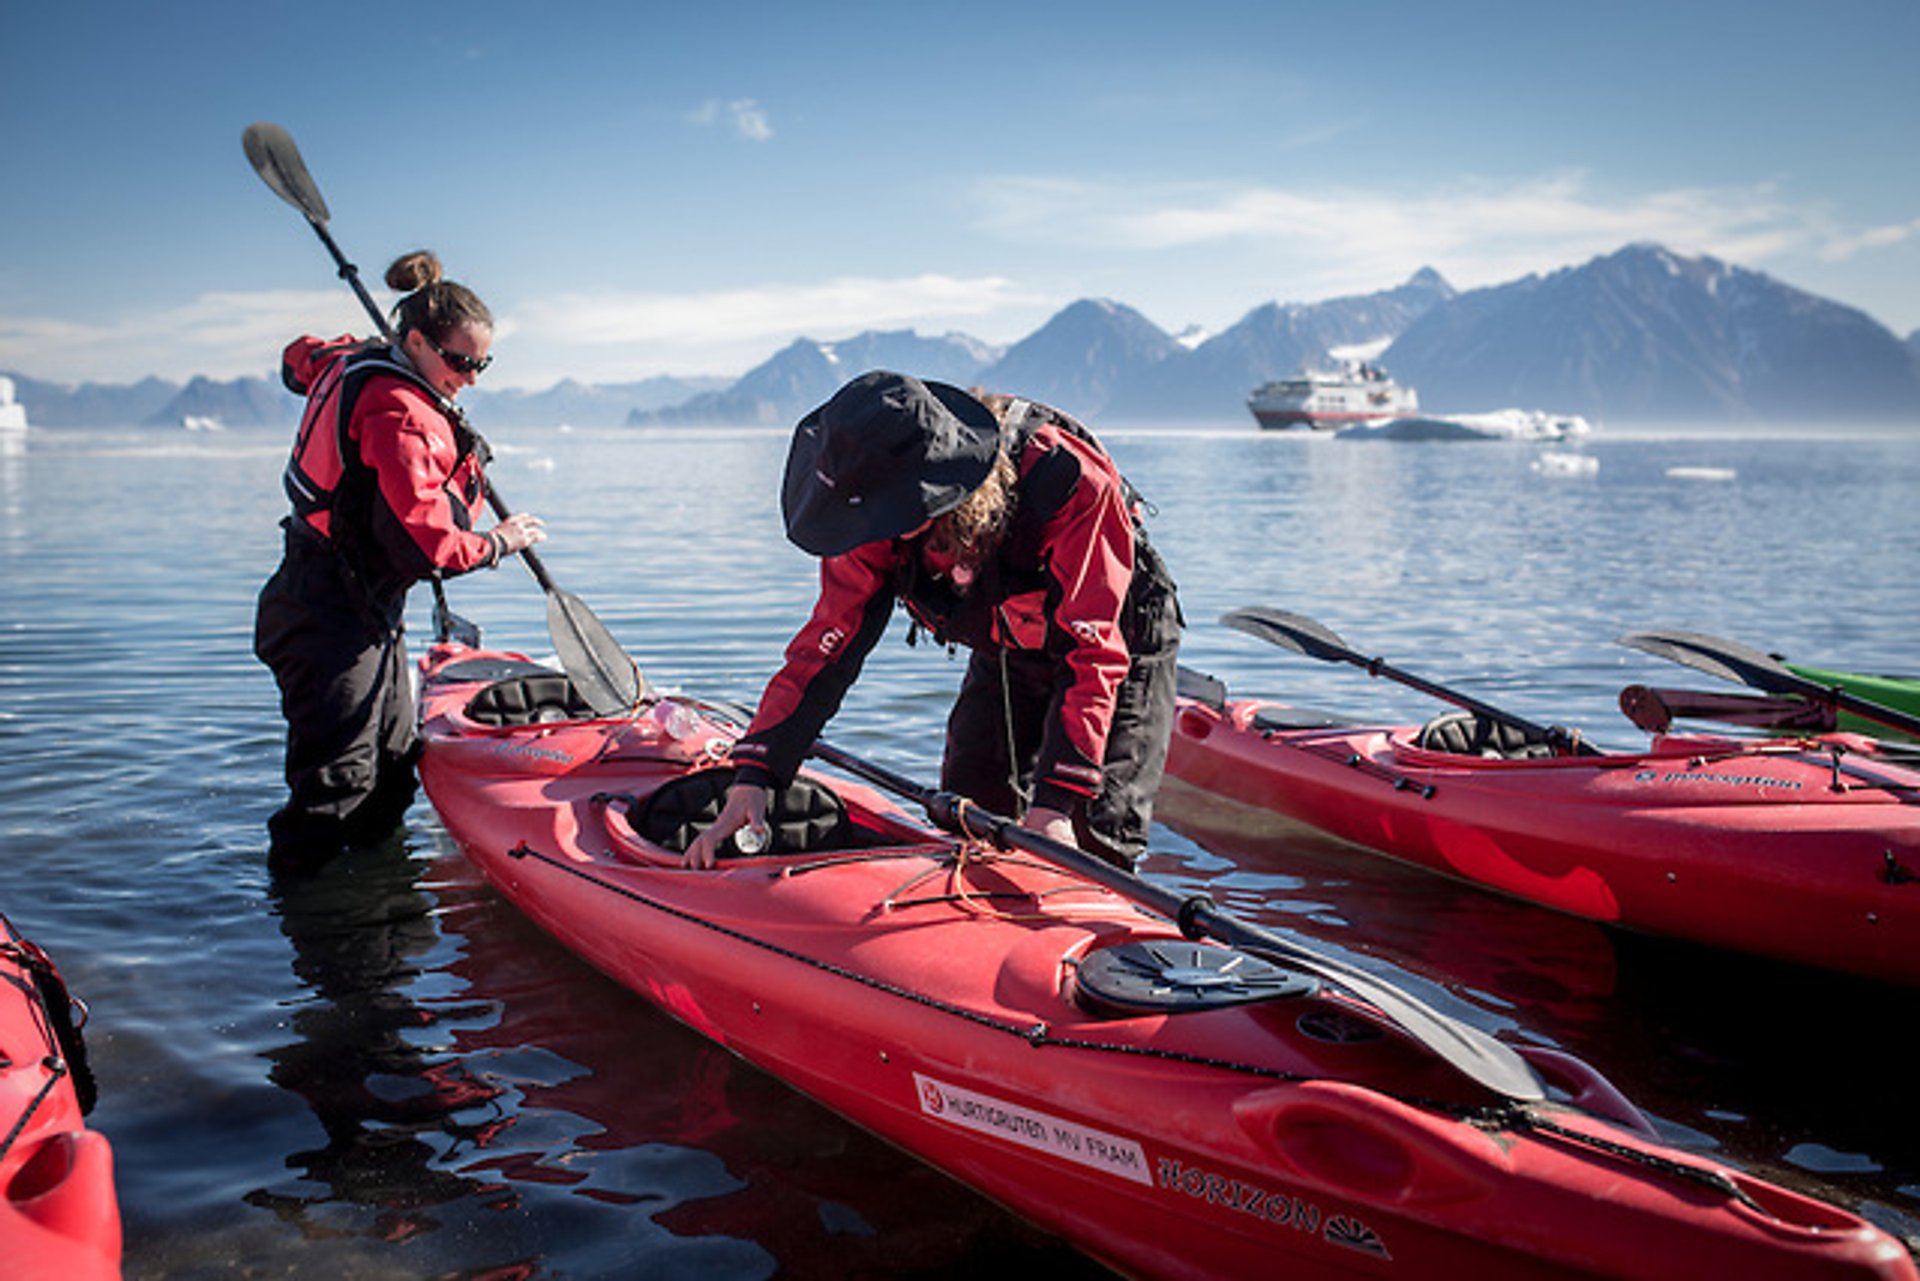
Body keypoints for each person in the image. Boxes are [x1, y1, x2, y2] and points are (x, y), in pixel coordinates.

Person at [685, 370, 1181, 872]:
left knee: (1093, 835)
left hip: (1116, 637)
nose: (864, 531)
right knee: (969, 812)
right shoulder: (865, 511)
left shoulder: (1065, 480)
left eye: (881, 516)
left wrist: (1054, 805)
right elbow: (826, 645)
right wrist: (756, 775)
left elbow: (1092, 652)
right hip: (1008, 637)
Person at [254, 250, 545, 875]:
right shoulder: (400, 415)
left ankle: (380, 917)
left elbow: (296, 358)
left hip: (364, 607)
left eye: (481, 364)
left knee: (392, 765)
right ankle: (322, 935)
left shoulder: (352, 359)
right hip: (326, 611)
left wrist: (362, 346)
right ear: (416, 340)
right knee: (338, 784)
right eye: (461, 362)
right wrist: (500, 541)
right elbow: (429, 547)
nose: (469, 379)